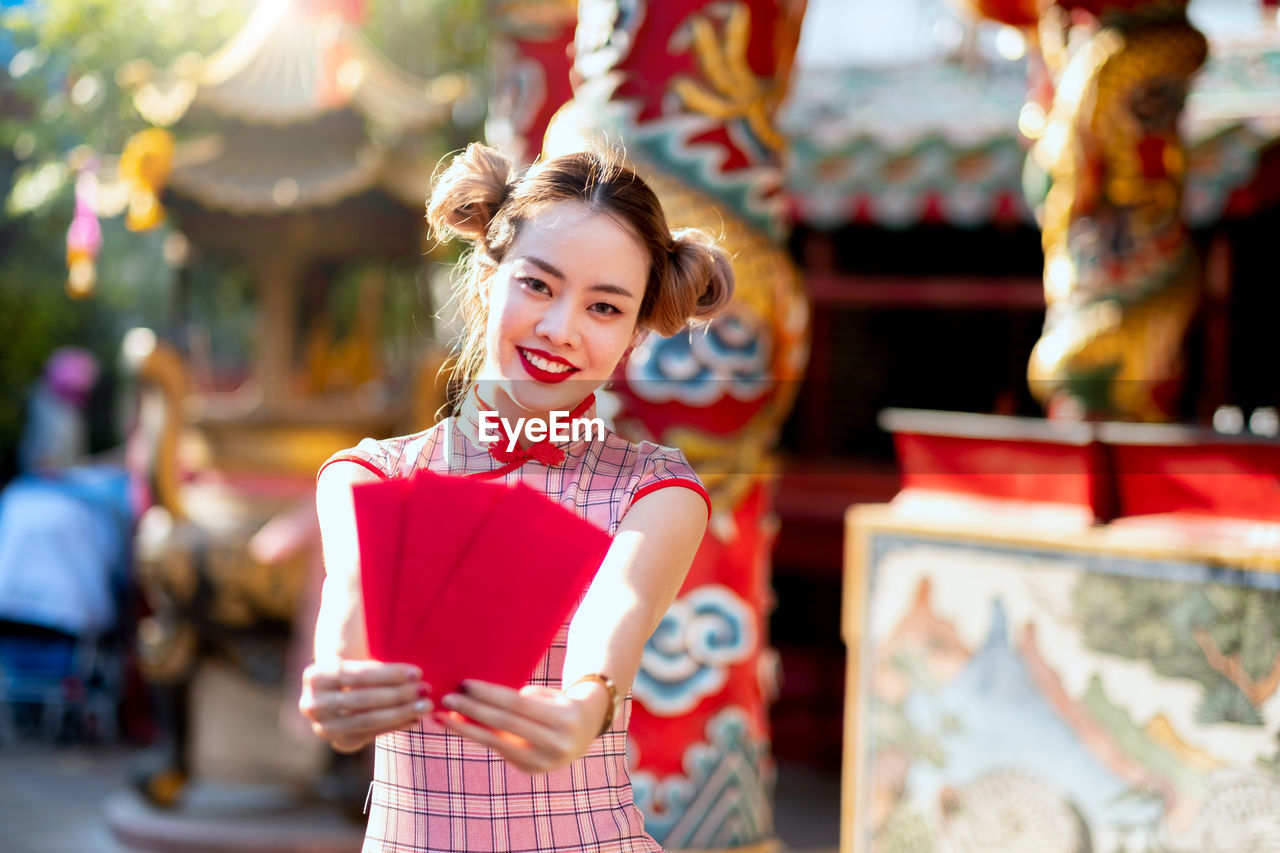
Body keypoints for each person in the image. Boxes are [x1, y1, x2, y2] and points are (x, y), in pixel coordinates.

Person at [298, 142, 734, 852]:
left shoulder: (656, 490)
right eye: (538, 285)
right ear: (486, 279)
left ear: (630, 336)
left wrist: (585, 701)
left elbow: (616, 611)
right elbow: (347, 622)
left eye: (604, 306)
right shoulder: (368, 476)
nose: (561, 328)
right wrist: (340, 695)